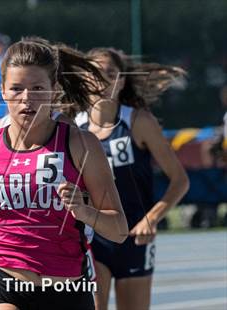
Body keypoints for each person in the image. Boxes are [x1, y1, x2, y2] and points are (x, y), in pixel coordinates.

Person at [0, 38, 129, 310]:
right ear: (3, 91)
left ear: (54, 91)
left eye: (37, 89)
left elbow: (119, 230)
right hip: (4, 285)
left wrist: (84, 212)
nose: (26, 99)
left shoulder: (80, 145)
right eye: (17, 89)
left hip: (66, 289)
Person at [73, 47, 190, 310]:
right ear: (84, 79)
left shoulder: (138, 122)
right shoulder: (73, 127)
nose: (102, 80)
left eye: (110, 73)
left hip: (134, 237)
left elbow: (180, 180)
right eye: (95, 73)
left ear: (122, 80)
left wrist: (153, 218)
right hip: (93, 238)